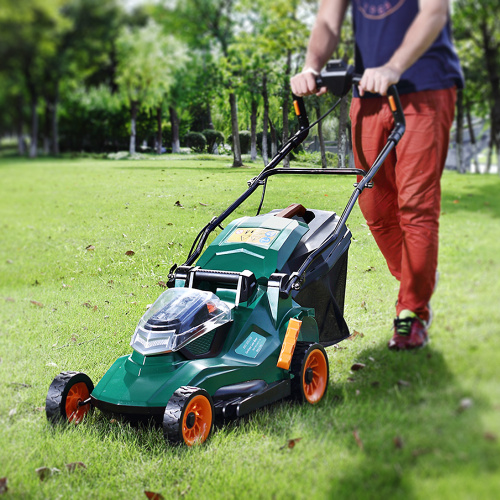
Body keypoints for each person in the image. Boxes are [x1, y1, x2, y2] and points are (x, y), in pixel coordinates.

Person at [291, 0, 464, 350]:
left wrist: (393, 66)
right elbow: (327, 20)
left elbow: (434, 12)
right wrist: (311, 66)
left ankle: (411, 312)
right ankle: (417, 278)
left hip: (426, 85)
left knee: (416, 205)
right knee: (374, 202)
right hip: (369, 91)